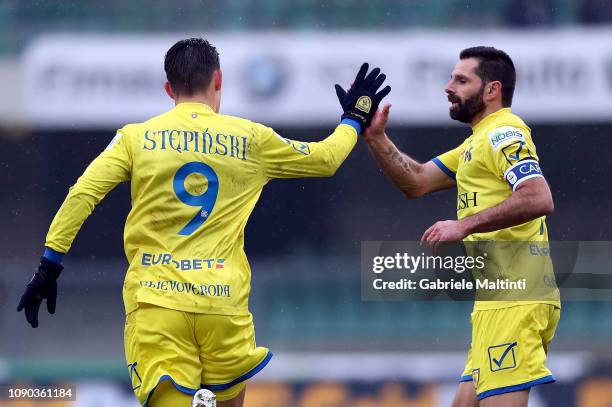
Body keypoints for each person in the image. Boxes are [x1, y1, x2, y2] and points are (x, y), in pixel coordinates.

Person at [17, 38, 390, 407]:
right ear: (218, 80)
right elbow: (325, 159)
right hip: (222, 304)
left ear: (168, 88)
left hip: (157, 302)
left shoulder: (135, 138)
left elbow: (82, 195)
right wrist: (353, 119)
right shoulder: (251, 138)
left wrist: (49, 266)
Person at [363, 46, 560, 406]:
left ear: (491, 90)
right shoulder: (475, 143)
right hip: (493, 303)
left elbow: (538, 197)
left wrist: (464, 225)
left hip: (516, 302)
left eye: (461, 79)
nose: (448, 86)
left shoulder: (505, 133)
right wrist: (376, 137)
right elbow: (417, 181)